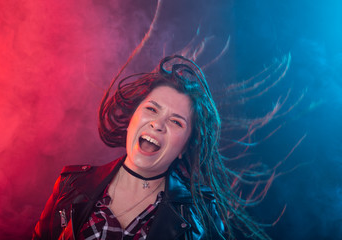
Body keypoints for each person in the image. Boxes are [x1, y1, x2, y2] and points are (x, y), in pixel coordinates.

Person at [33, 55, 270, 240]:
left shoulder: (202, 216)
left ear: (184, 148)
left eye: (176, 122)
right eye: (152, 109)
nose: (158, 124)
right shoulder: (71, 185)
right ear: (131, 120)